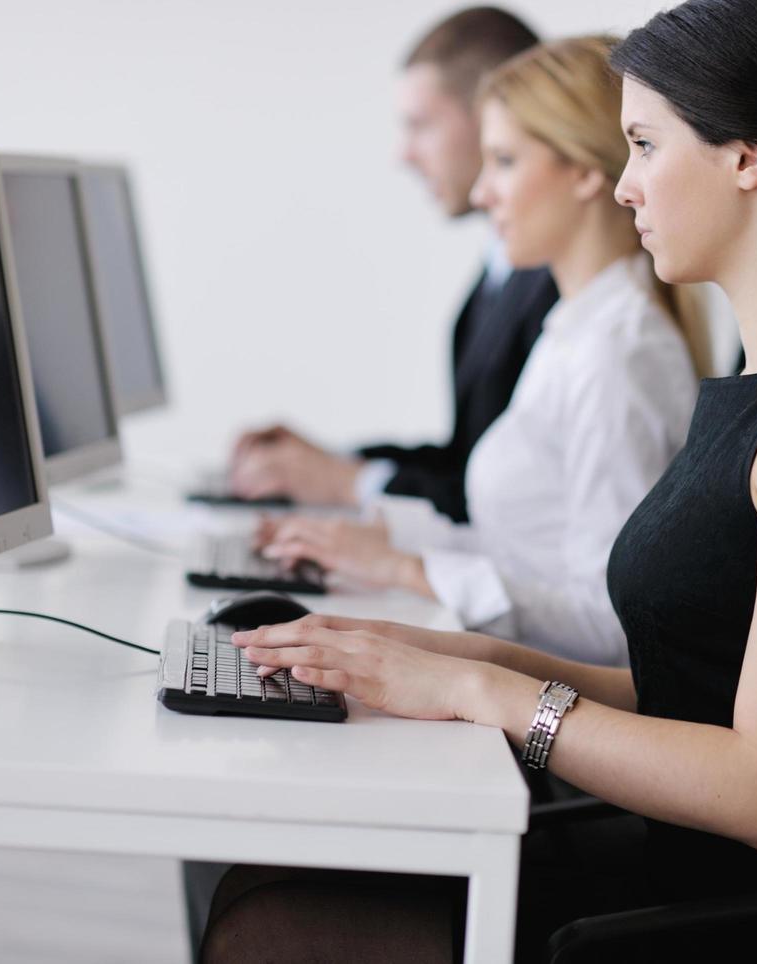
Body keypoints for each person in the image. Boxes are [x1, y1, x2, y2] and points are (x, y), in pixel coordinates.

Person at [202, 0, 757, 961]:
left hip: (742, 915)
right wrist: (454, 659)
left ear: (747, 154)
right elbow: (688, 688)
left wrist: (489, 699)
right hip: (675, 865)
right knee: (268, 872)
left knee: (274, 911)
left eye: (647, 146)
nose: (625, 185)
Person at [255, 36, 707, 667]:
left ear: (582, 172)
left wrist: (409, 569)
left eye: (504, 162)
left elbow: (612, 624)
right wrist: (379, 539)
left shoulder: (620, 353)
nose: (479, 194)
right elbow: (522, 552)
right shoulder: (574, 329)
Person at [227, 7, 557, 523]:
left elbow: (511, 507)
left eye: (421, 125)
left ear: (496, 116)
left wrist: (345, 482)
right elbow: (469, 459)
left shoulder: (563, 287)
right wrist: (334, 462)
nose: (403, 155)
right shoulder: (504, 268)